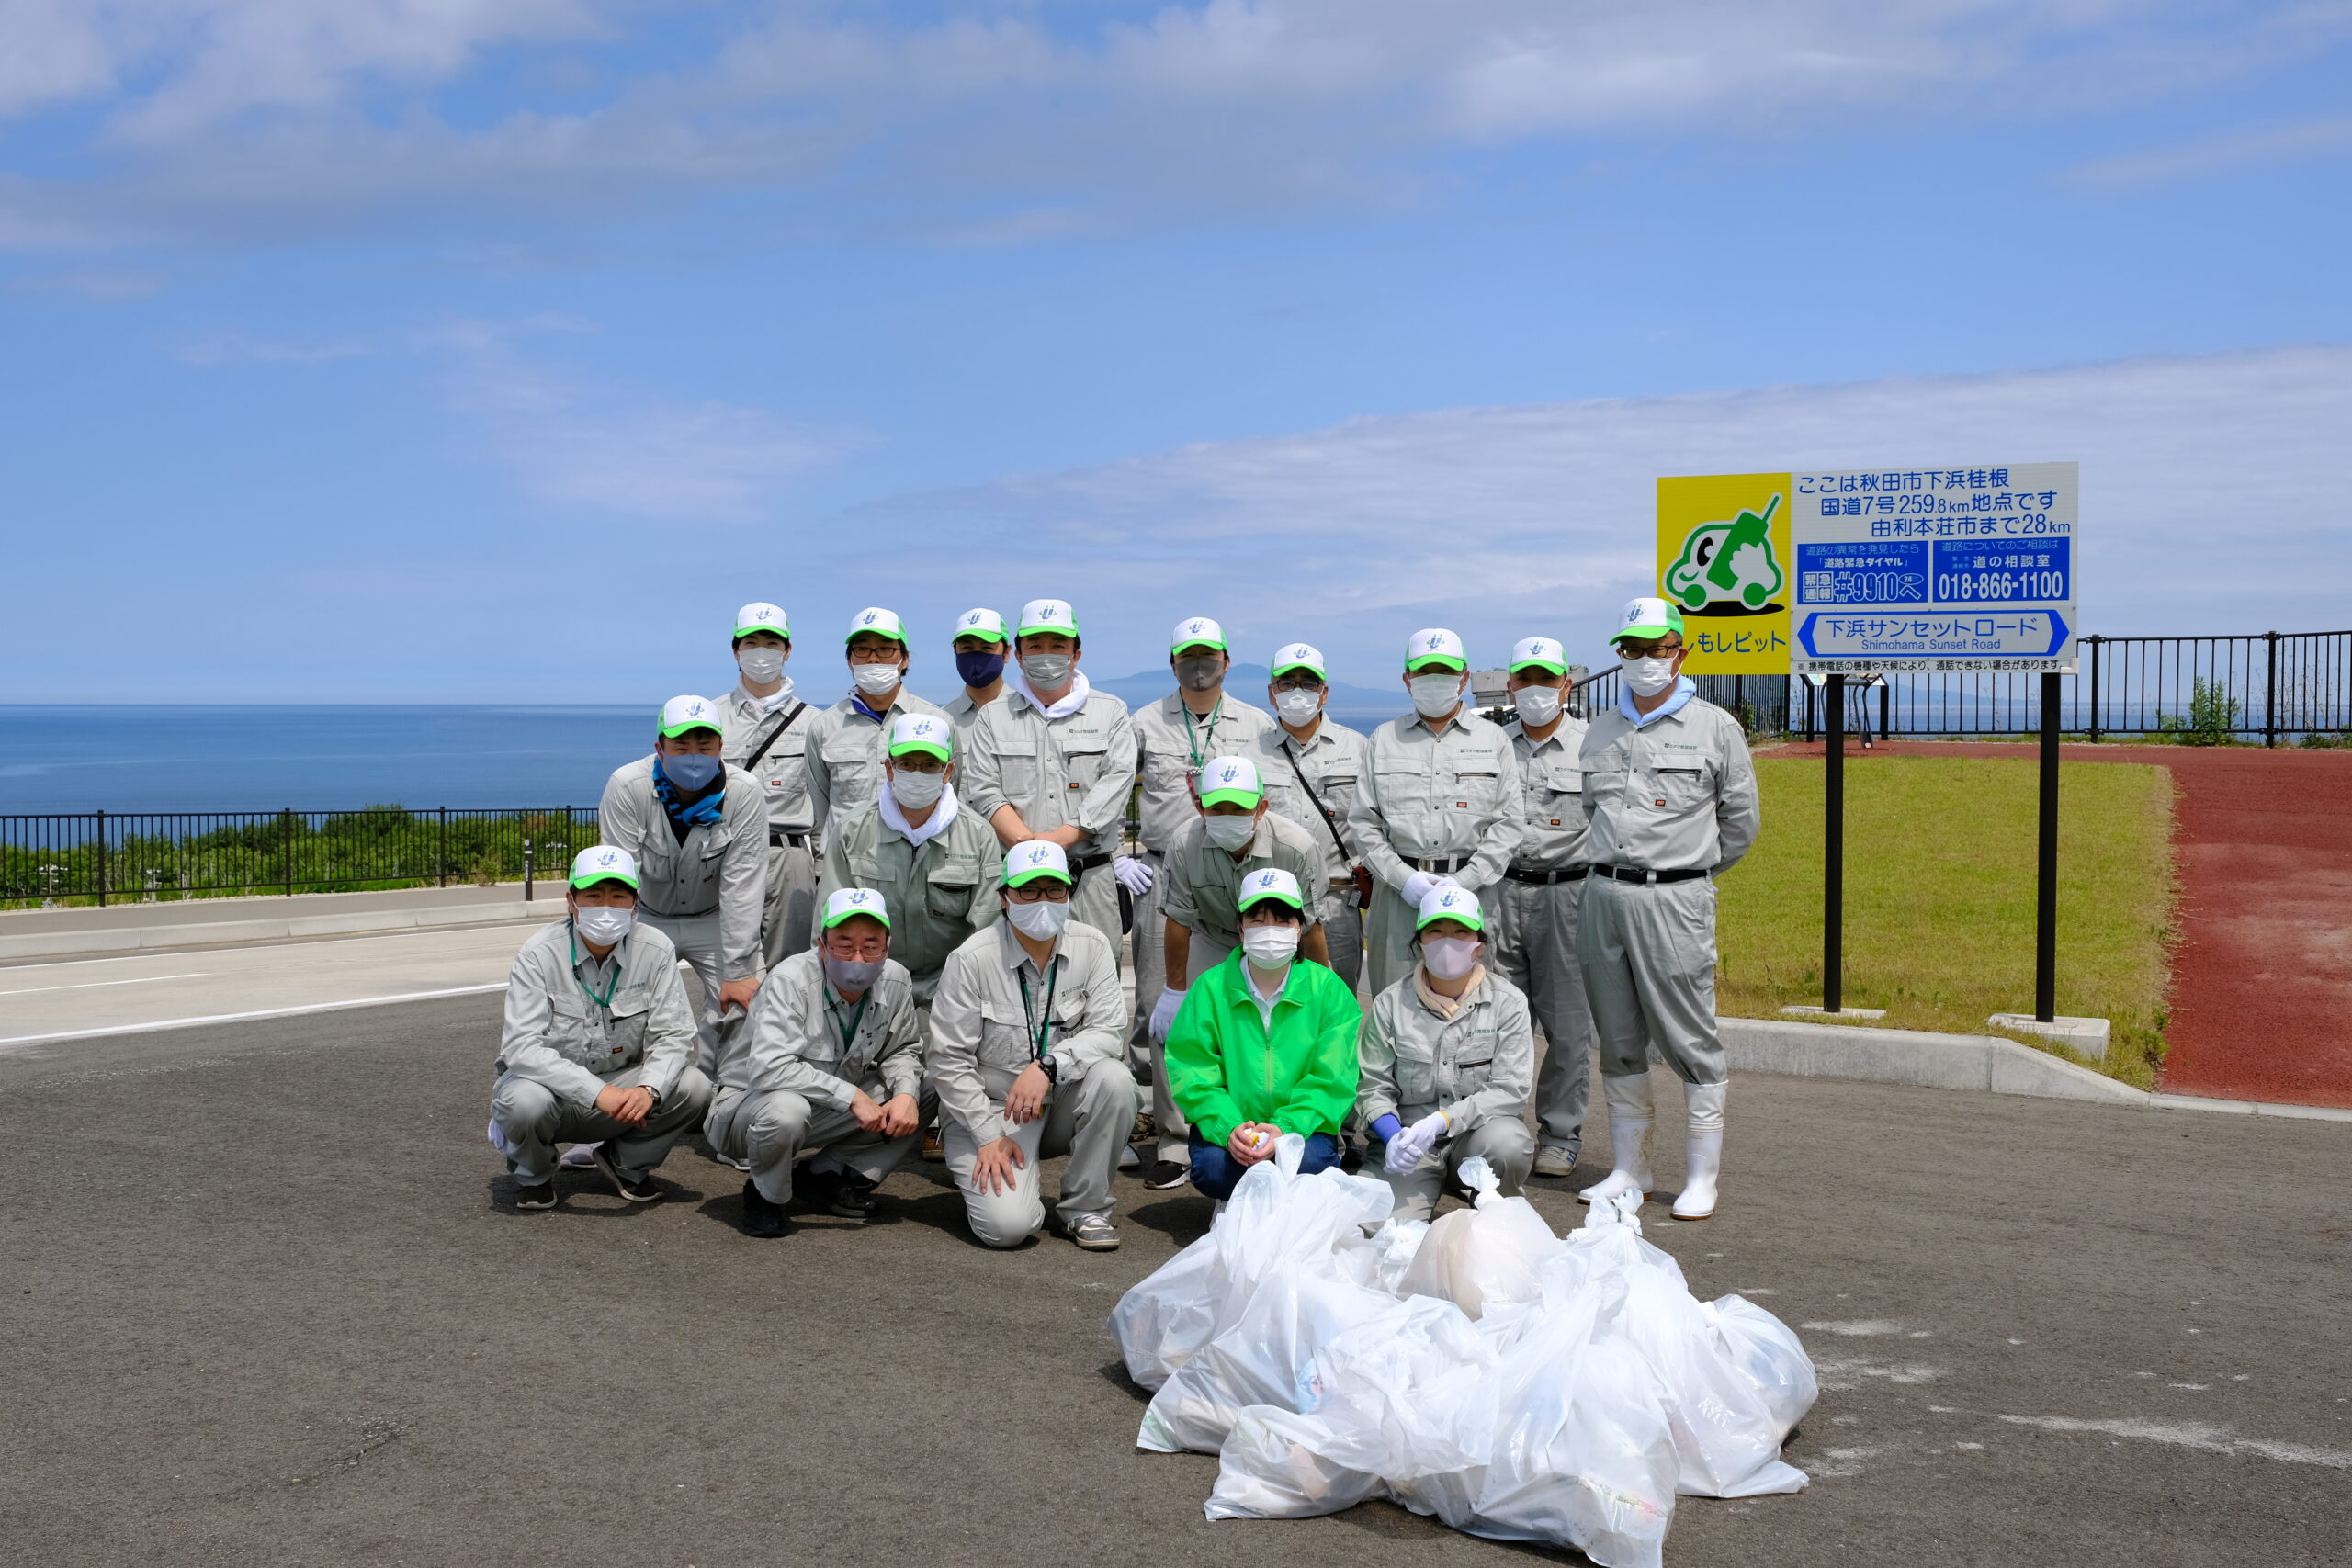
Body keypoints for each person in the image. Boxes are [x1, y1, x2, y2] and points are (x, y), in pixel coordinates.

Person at [1576, 597, 1759, 1221]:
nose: (1647, 660)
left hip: (1675, 898)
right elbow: (1590, 814)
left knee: (1690, 1035)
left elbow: (1741, 825)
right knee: (1618, 1035)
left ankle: (1702, 1176)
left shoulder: (1717, 727)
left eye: (1659, 648)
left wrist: (1688, 872)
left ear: (1682, 651)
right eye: (1633, 649)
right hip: (1602, 896)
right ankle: (1633, 1168)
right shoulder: (1599, 729)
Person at [927, 840, 1138, 1251]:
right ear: (1004, 897)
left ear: (1069, 894)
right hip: (991, 1109)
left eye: (1054, 889)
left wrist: (1048, 1066)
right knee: (1008, 1229)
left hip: (1057, 1100)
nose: (1043, 901)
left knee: (1116, 1080)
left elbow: (1109, 1031)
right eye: (1028, 890)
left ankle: (1085, 1209)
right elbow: (948, 1061)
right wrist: (987, 1136)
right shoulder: (971, 959)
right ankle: (1010, 1183)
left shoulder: (1092, 945)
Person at [1123, 616, 1274, 1168]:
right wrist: (1120, 856)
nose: (1199, 663)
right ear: (1173, 663)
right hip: (1165, 869)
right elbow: (1113, 788)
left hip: (1244, 872)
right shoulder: (1143, 722)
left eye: (1209, 654)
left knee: (1245, 1002)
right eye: (1188, 655)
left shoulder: (1256, 724)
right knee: (1163, 1002)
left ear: (1227, 661)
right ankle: (1170, 1131)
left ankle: (1237, 1117)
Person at [488, 846, 715, 1209]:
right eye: (593, 895)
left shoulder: (656, 950)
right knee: (523, 1102)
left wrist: (649, 1089)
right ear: (571, 901)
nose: (606, 907)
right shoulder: (539, 954)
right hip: (555, 1095)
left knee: (695, 1087)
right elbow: (521, 1048)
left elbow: (674, 1035)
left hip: (623, 1091)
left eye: (618, 895)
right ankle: (534, 1176)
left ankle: (626, 1164)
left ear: (635, 903)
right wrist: (596, 1093)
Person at [1141, 753, 1329, 1187]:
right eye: (1218, 808)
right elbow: (1178, 920)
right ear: (1200, 806)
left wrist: (1324, 984)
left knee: (1295, 1030)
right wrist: (1174, 990)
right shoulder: (1185, 843)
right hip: (1211, 933)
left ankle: (1314, 1128)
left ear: (1261, 807)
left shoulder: (1296, 846)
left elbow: (1313, 923)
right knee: (1172, 1026)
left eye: (1240, 808)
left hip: (1281, 936)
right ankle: (1175, 1142)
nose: (1228, 816)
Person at [705, 887, 930, 1238]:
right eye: (844, 943)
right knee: (786, 1110)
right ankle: (766, 1195)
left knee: (924, 1089)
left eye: (871, 945)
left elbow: (902, 1049)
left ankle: (825, 1175)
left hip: (825, 1104)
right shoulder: (789, 980)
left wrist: (905, 1093)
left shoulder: (897, 979)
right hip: (747, 1110)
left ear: (887, 945)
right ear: (822, 944)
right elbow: (771, 1068)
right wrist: (853, 1097)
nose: (858, 957)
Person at [1347, 628, 1524, 999]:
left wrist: (1466, 880)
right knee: (1394, 1006)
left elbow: (1508, 824)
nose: (1435, 680)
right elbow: (1363, 822)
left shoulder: (1494, 740)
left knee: (1470, 1008)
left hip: (1473, 895)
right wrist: (1402, 879)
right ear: (1407, 679)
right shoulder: (1384, 738)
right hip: (1398, 899)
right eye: (1425, 671)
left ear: (1463, 676)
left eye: (1445, 671)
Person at [1163, 867, 1361, 1200]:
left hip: (1300, 1129)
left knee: (1312, 1161)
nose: (1270, 931)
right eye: (1258, 920)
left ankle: (1271, 1206)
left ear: (1300, 929)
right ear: (1240, 929)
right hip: (1233, 1127)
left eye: (1283, 921)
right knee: (1211, 1168)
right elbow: (1192, 1071)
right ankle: (1255, 1203)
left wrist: (1285, 1128)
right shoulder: (1210, 989)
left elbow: (1333, 1078)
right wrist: (1229, 1129)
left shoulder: (1329, 991)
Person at [596, 695, 768, 1070]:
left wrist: (739, 971)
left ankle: (721, 1088)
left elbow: (743, 883)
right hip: (647, 917)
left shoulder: (744, 791)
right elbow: (620, 879)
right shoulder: (628, 786)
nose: (694, 754)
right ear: (660, 748)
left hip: (715, 917)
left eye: (705, 745)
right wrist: (617, 951)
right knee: (619, 1001)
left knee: (751, 1001)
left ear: (721, 746)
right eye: (681, 745)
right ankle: (630, 1084)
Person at [960, 597, 1138, 948]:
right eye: (1036, 645)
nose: (1046, 655)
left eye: (1058, 645)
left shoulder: (1111, 711)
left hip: (1089, 878)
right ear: (1020, 654)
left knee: (1095, 979)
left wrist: (1060, 841)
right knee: (1012, 981)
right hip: (1018, 881)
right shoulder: (993, 717)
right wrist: (1029, 850)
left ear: (1076, 654)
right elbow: (983, 789)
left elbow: (1117, 781)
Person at [1357, 885, 1537, 1223]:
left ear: (1478, 945)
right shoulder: (1389, 1004)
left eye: (1460, 932)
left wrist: (1444, 1121)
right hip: (1411, 1145)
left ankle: (1493, 1206)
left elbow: (1510, 1089)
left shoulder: (1508, 1003)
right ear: (1420, 943)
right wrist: (1392, 1136)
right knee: (1371, 1227)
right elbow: (1372, 1085)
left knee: (1509, 1144)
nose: (1447, 941)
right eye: (1435, 931)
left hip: (1475, 1139)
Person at [1489, 635, 1600, 1179]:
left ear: (1566, 684)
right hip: (1499, 891)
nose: (1535, 689)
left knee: (1568, 1023)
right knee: (1494, 1018)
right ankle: (1497, 1126)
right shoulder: (1492, 745)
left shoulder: (1594, 743)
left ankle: (1560, 1132)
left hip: (1568, 893)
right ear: (1512, 684)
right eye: (1525, 679)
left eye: (1546, 678)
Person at [816, 714, 1002, 1006]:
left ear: (948, 770)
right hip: (868, 985)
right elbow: (827, 925)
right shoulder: (851, 831)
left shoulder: (979, 835)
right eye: (907, 764)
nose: (918, 774)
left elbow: (989, 931)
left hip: (953, 987)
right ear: (889, 768)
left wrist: (961, 992)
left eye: (929, 765)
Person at [1252, 641, 1371, 992]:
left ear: (1324, 693)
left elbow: (1375, 821)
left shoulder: (1359, 748)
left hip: (1337, 903)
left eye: (1309, 683)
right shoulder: (1248, 756)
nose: (1298, 692)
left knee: (1335, 1004)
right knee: (1266, 1005)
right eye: (1288, 683)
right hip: (1268, 906)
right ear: (1272, 693)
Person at [719, 601, 820, 967]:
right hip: (724, 856)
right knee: (729, 973)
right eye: (751, 642)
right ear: (736, 651)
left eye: (772, 643)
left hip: (789, 857)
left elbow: (822, 808)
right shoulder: (710, 718)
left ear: (787, 651)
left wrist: (824, 874)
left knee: (790, 973)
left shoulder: (815, 723)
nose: (762, 652)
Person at [804, 607, 946, 847]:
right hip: (846, 863)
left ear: (905, 658)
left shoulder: (938, 720)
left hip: (917, 861)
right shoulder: (823, 726)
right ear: (850, 660)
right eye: (862, 649)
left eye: (885, 648)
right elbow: (821, 805)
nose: (873, 658)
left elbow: (950, 791)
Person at [942, 607, 1010, 745]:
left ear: (1006, 653)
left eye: (987, 648)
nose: (976, 656)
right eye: (967, 648)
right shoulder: (941, 721)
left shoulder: (1029, 714)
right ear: (955, 651)